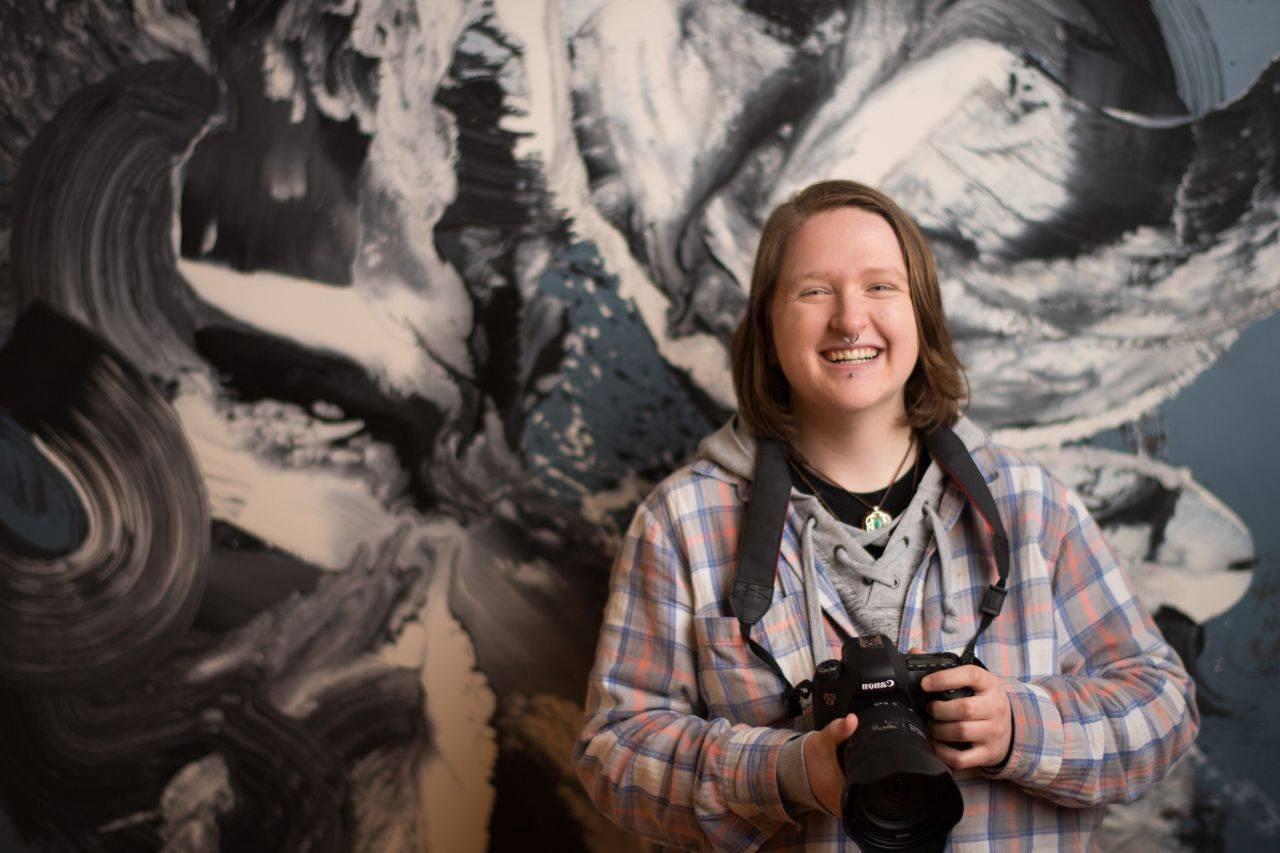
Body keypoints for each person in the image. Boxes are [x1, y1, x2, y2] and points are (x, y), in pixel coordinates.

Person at [573, 180, 1199, 850]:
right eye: (814, 290)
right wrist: (786, 771)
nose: (849, 319)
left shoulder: (1029, 504)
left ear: (922, 315)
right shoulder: (684, 523)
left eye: (880, 287)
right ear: (768, 324)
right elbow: (615, 754)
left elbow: (1165, 707)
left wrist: (1020, 728)